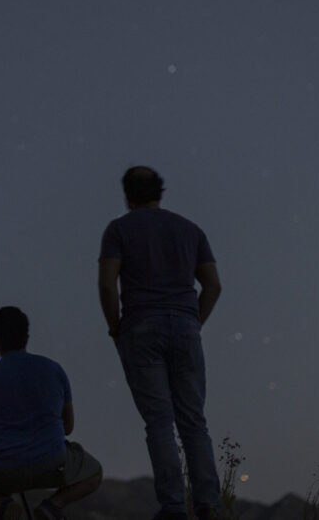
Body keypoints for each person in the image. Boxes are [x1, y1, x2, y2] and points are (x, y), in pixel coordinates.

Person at [98, 166, 223, 520]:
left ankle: (172, 505)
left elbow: (107, 285)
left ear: (127, 194)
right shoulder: (190, 230)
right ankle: (208, 504)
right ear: (160, 191)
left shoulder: (118, 230)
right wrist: (192, 322)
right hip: (185, 326)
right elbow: (213, 285)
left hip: (140, 327)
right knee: (193, 421)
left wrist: (115, 328)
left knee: (158, 421)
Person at [0, 306, 102, 520]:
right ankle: (53, 506)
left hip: (4, 469)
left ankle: (3, 504)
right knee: (93, 472)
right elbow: (67, 427)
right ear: (26, 336)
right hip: (52, 463)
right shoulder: (54, 370)